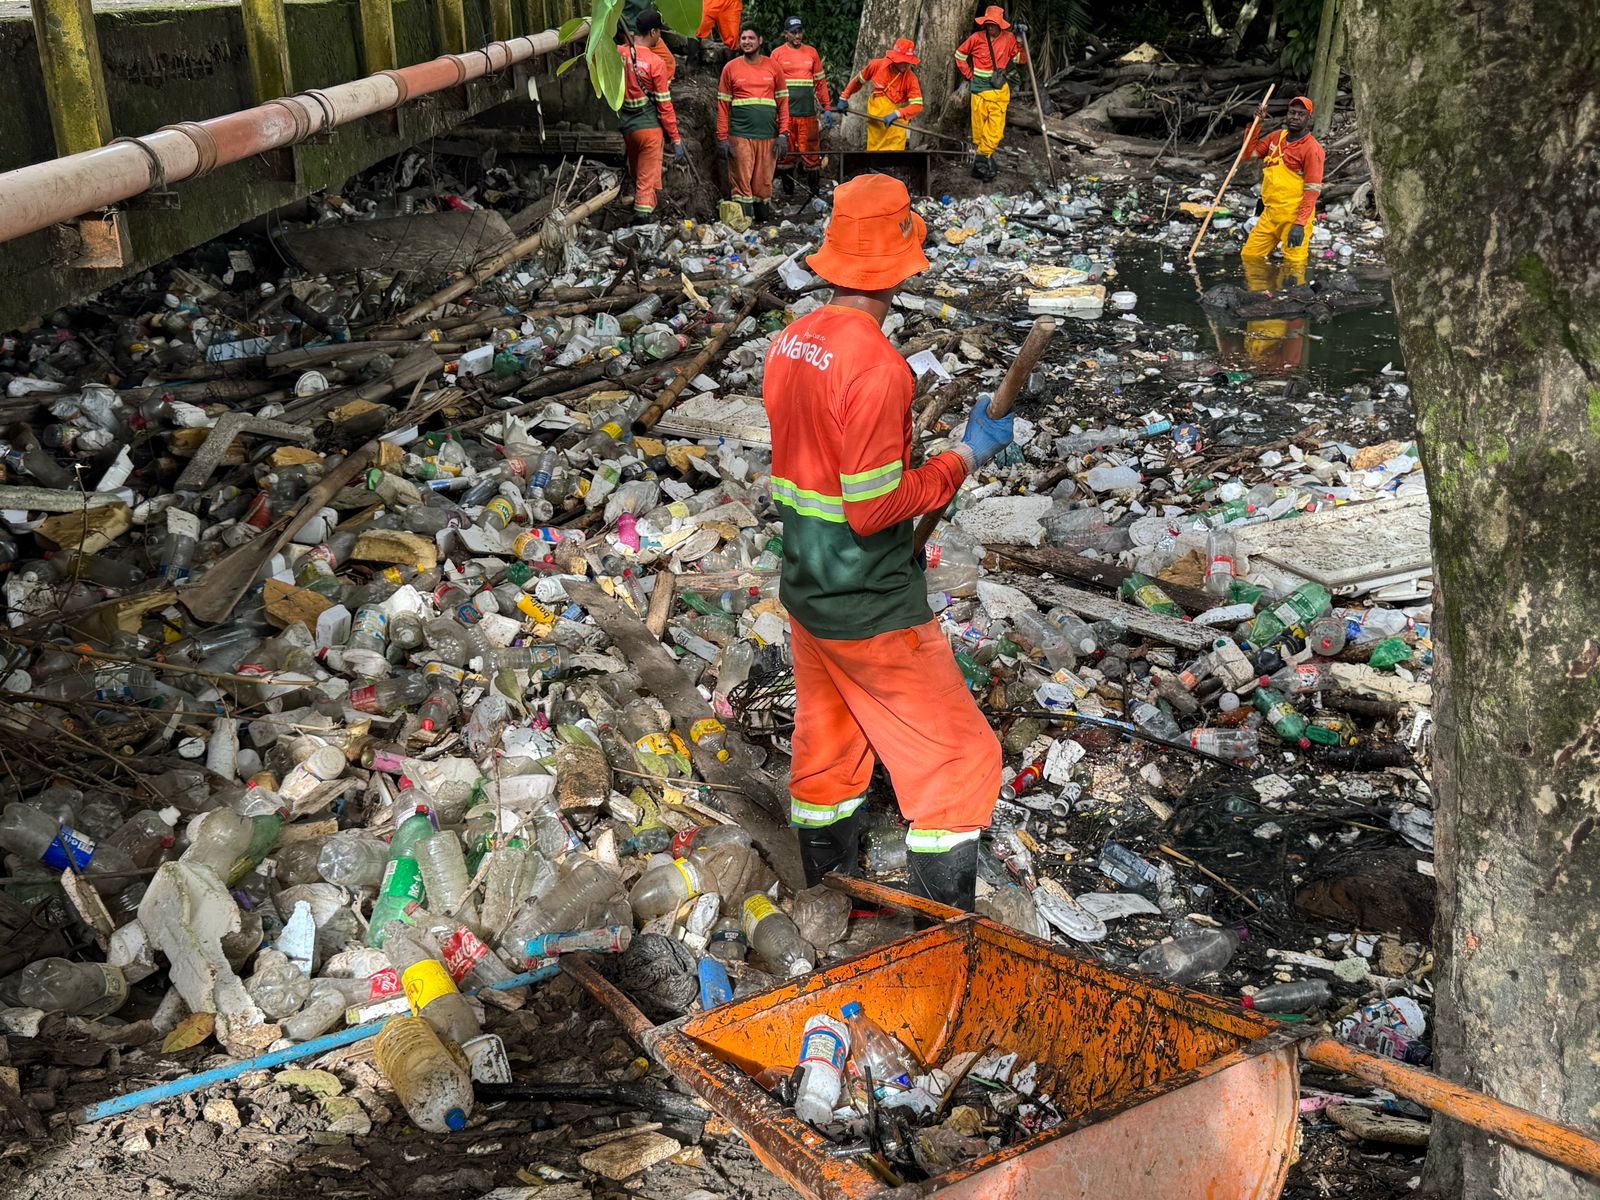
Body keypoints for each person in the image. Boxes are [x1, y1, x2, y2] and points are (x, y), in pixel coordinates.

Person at [761, 174, 1012, 909]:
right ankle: (939, 938)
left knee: (830, 755)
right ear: (901, 264)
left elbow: (825, 467)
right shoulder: (876, 366)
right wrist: (963, 458)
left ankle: (829, 909)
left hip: (808, 587)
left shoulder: (791, 341)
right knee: (961, 761)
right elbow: (871, 509)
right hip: (868, 603)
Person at [1240, 95, 1325, 267]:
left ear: (1309, 118)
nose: (1295, 117)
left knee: (1294, 264)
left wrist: (1300, 225)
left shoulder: (1312, 149)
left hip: (1293, 217)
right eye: (1292, 112)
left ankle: (1293, 294)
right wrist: (1256, 124)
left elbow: (1312, 190)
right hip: (1270, 214)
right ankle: (1261, 291)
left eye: (1301, 114)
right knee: (1249, 257)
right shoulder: (1276, 137)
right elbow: (1248, 154)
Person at [716, 27, 790, 221]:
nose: (746, 42)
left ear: (760, 40)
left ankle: (762, 225)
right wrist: (722, 138)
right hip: (740, 134)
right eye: (743, 38)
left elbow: (783, 103)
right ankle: (744, 225)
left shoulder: (774, 67)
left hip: (768, 135)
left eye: (751, 38)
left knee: (763, 183)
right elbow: (723, 106)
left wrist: (783, 134)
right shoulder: (730, 68)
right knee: (742, 181)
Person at [616, 14, 682, 223]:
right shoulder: (656, 62)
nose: (659, 35)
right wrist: (676, 137)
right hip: (649, 131)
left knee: (638, 175)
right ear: (653, 32)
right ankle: (642, 225)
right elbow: (664, 106)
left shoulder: (618, 54)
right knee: (646, 183)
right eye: (659, 31)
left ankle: (641, 208)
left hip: (627, 128)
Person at [954, 6, 1026, 181]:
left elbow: (1020, 59)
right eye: (988, 24)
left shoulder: (1009, 38)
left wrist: (1020, 40)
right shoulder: (976, 38)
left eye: (994, 25)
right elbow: (959, 55)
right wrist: (969, 74)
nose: (991, 28)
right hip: (978, 91)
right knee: (979, 131)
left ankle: (980, 161)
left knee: (994, 130)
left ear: (1000, 25)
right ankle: (985, 164)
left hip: (998, 91)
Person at [769, 16, 831, 195]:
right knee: (785, 154)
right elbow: (770, 84)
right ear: (785, 34)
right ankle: (788, 193)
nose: (797, 35)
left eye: (799, 32)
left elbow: (820, 83)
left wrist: (827, 107)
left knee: (811, 153)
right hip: (785, 115)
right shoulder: (777, 54)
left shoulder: (811, 53)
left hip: (808, 114)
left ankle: (815, 195)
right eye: (793, 32)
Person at [837, 37, 922, 152]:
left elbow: (917, 105)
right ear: (894, 58)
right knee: (873, 156)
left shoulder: (911, 78)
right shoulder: (877, 65)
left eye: (908, 61)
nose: (905, 65)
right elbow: (858, 80)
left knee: (892, 160)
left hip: (896, 126)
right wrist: (844, 96)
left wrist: (897, 113)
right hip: (875, 122)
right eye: (902, 61)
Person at [621, 0, 675, 84]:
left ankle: (657, 87)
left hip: (645, 26)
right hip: (633, 29)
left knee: (667, 61)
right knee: (634, 62)